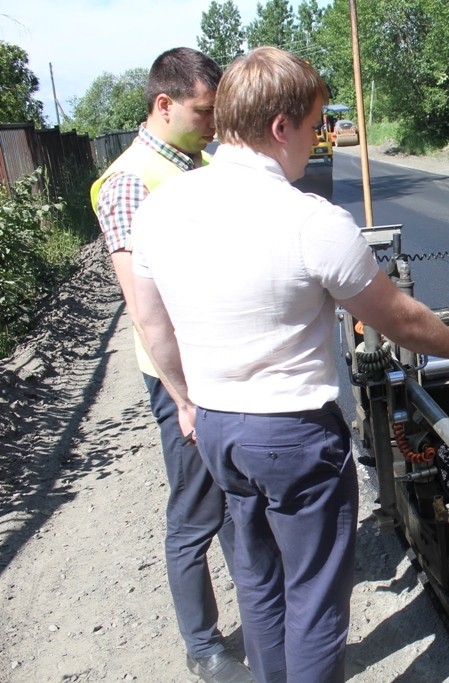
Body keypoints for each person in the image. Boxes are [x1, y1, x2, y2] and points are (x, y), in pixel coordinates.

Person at [129, 46, 449, 683]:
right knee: (316, 600)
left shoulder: (160, 209)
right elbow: (396, 317)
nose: (319, 138)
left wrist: (187, 399)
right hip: (293, 436)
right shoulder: (309, 221)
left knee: (259, 582)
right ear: (279, 127)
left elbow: (153, 326)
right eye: (316, 124)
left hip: (217, 428)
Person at [90, 48, 253, 683]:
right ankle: (203, 645)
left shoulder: (200, 163)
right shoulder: (132, 181)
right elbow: (143, 307)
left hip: (224, 366)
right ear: (164, 105)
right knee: (197, 512)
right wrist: (184, 399)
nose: (214, 123)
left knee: (241, 503)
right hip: (181, 379)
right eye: (204, 111)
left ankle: (262, 614)